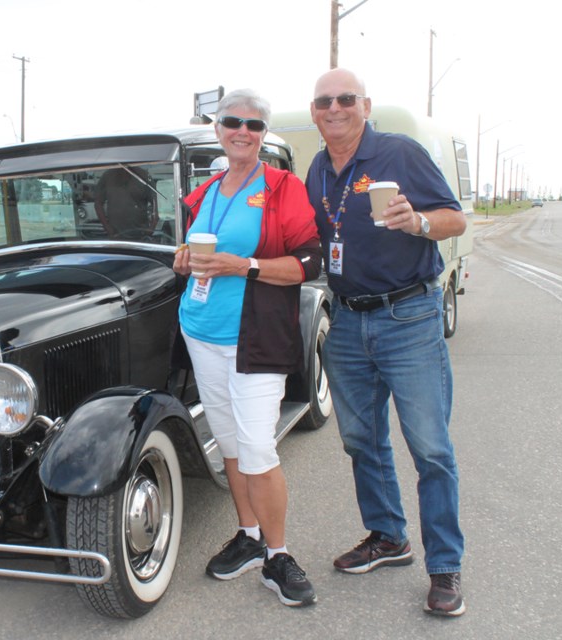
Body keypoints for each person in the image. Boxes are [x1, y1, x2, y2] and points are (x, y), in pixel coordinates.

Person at [303, 68, 468, 617]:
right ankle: (387, 537)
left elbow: (455, 219)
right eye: (325, 101)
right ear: (314, 112)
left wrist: (418, 221)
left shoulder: (400, 153)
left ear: (364, 105)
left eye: (345, 99)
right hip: (347, 321)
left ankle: (444, 565)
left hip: (409, 317)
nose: (335, 108)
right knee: (361, 441)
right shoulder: (318, 169)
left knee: (430, 449)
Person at [173, 88, 322, 608]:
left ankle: (278, 555)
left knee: (258, 446)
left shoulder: (282, 187)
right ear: (218, 128)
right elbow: (197, 246)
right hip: (201, 332)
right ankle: (249, 537)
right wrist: (185, 256)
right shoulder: (206, 190)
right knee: (231, 443)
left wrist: (248, 266)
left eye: (254, 125)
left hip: (254, 336)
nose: (242, 131)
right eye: (233, 121)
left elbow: (309, 263)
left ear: (263, 135)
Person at [94, 167, 157, 239]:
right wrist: (107, 227)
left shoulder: (144, 176)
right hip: (116, 236)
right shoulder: (108, 176)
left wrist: (152, 228)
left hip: (140, 236)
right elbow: (98, 202)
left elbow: (156, 202)